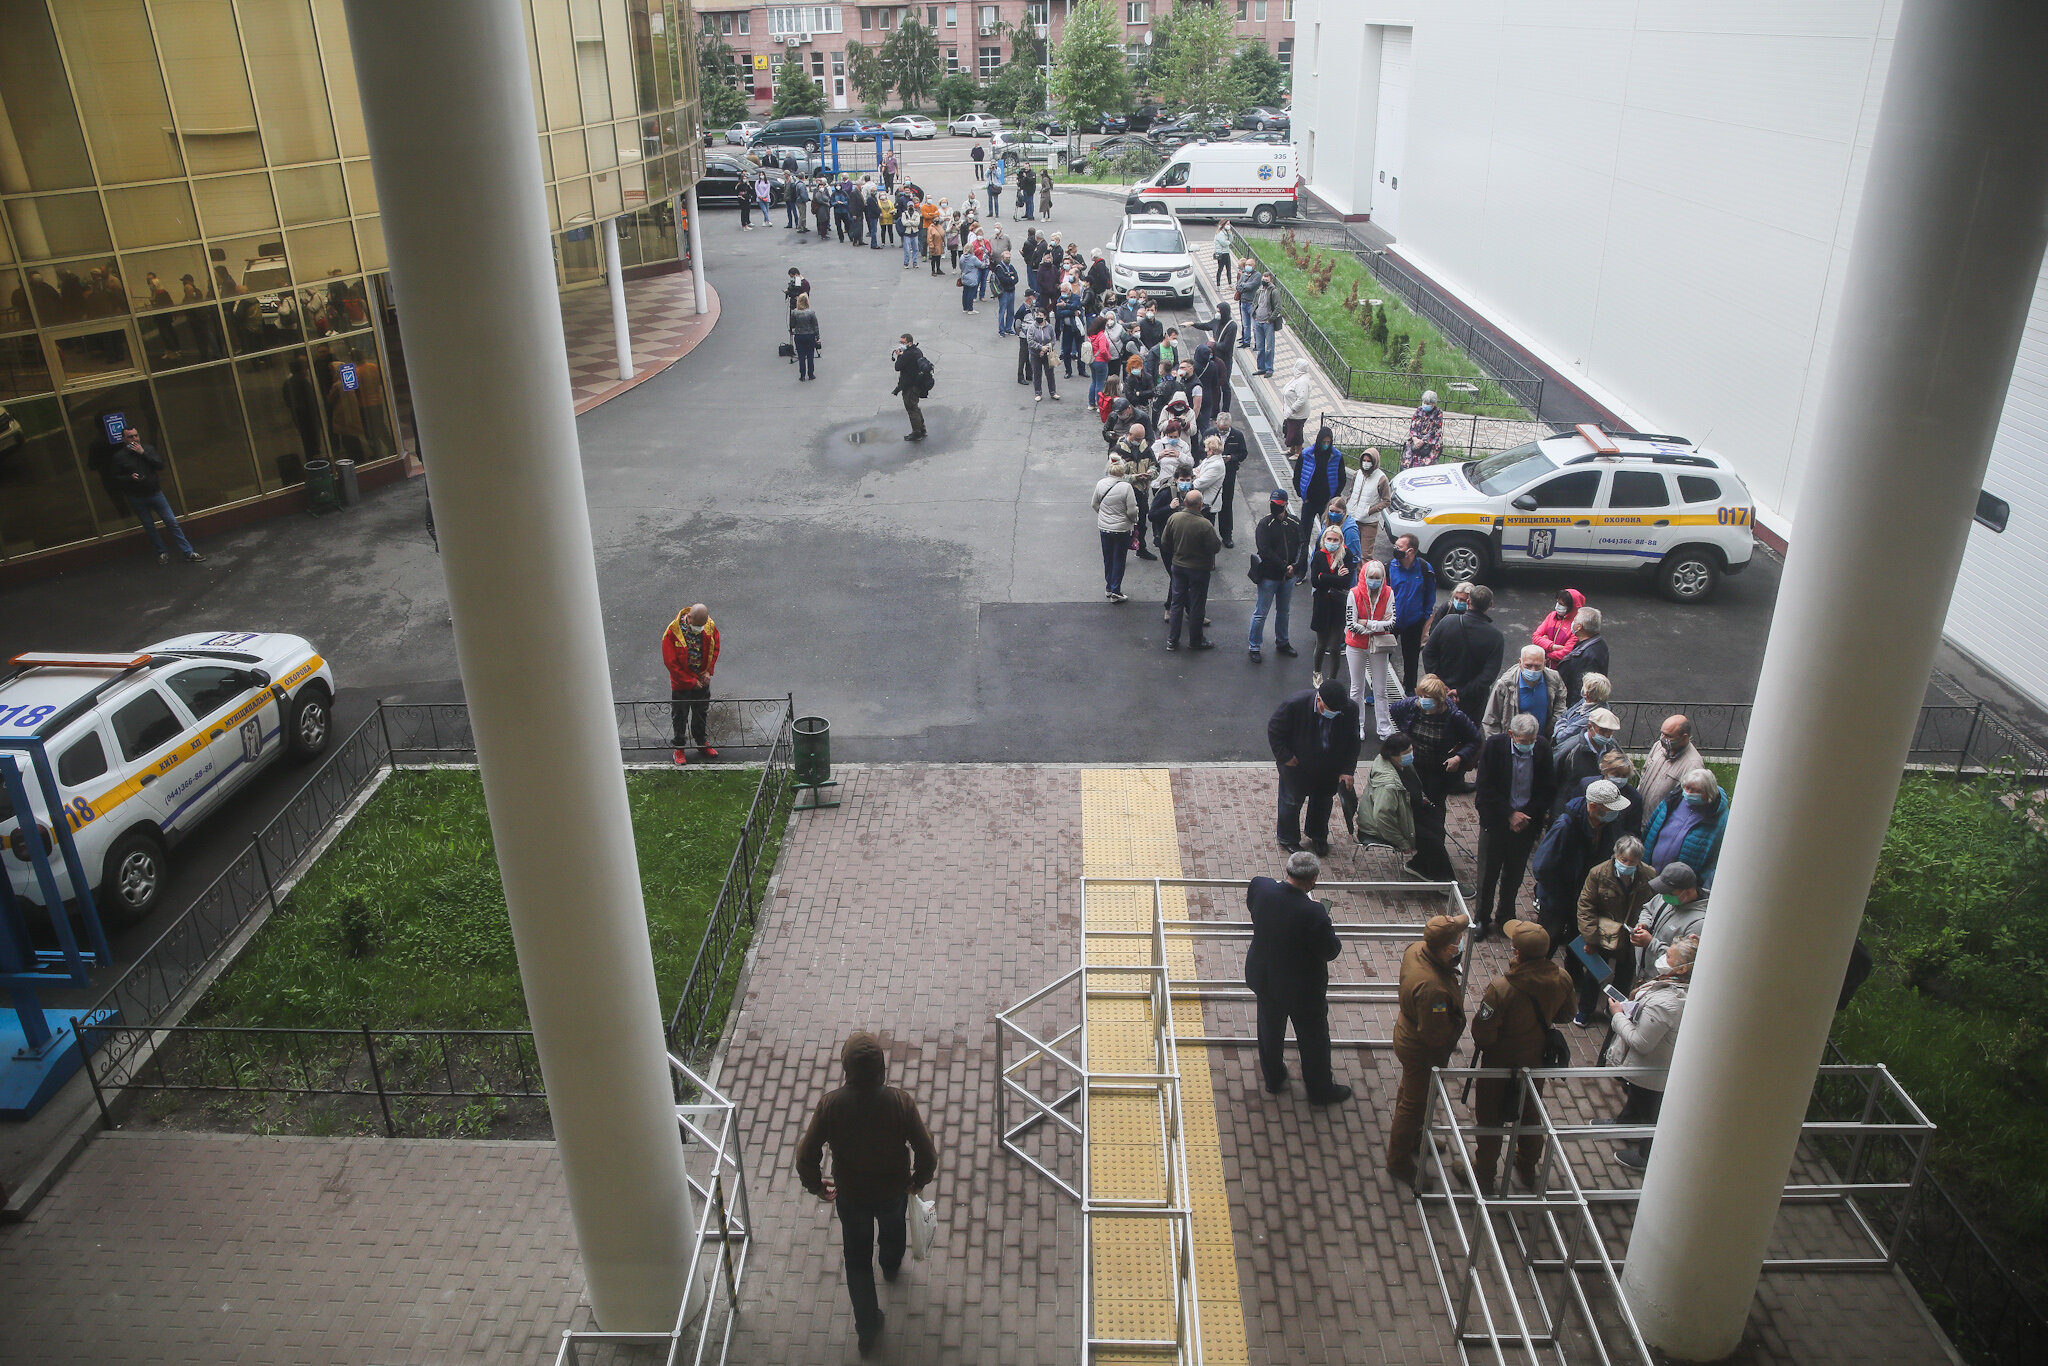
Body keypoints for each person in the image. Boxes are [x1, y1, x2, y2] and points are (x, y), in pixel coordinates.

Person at [795, 1031, 939, 1355]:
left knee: (857, 1261)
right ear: (882, 1069)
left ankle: (868, 1328)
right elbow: (927, 1153)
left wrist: (816, 1186)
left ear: (846, 1069)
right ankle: (890, 1265)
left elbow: (807, 1156)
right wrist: (918, 1181)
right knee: (892, 1231)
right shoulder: (900, 1102)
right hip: (892, 1192)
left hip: (852, 1197)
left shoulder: (830, 1105)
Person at [1468, 919, 1575, 1194]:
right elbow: (1566, 1015)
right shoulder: (1562, 978)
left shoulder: (1501, 988)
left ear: (1517, 953)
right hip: (1536, 1060)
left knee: (1490, 1119)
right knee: (1529, 1114)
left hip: (1499, 1062)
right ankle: (1527, 1165)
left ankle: (1484, 1174)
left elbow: (1483, 1034)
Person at [1245, 850, 1350, 1104]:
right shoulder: (1313, 913)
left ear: (1288, 870)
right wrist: (1325, 919)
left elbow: (1254, 909)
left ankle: (1273, 1078)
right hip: (1302, 991)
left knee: (1269, 1030)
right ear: (1313, 879)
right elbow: (1330, 950)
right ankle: (1319, 1089)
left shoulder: (1261, 887)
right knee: (1313, 1039)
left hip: (1264, 978)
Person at [1387, 913, 1470, 1186]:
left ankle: (1414, 1137)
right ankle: (1399, 1161)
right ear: (1448, 948)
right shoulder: (1432, 989)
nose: (1460, 942)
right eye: (1457, 940)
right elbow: (1434, 1032)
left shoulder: (1417, 949)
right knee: (1413, 1104)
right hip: (1421, 1050)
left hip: (1408, 1034)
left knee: (1410, 1092)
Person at [1605, 933, 1697, 1169]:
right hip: (1647, 1071)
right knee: (1637, 1099)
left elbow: (1641, 1041)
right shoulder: (1674, 987)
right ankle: (1626, 1125)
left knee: (1651, 1112)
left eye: (1669, 956)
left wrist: (1618, 1016)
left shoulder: (1666, 1003)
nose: (1663, 958)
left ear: (1682, 970)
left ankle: (1646, 1157)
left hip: (1652, 1070)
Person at [1474, 713, 1558, 940]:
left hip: (1526, 824)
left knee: (1514, 874)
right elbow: (1485, 787)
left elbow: (1547, 788)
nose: (1528, 745)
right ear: (1511, 735)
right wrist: (1509, 814)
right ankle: (1481, 918)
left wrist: (1525, 816)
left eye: (1531, 739)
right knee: (1487, 875)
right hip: (1496, 821)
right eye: (1523, 741)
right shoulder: (1494, 747)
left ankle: (1505, 917)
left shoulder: (1541, 748)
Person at [1388, 676, 1480, 883]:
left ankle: (1429, 857)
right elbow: (1395, 709)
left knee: (1434, 814)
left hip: (1438, 774)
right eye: (1420, 696)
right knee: (1420, 814)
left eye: (1427, 697)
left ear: (1439, 700)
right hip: (1414, 769)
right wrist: (1404, 739)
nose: (1422, 701)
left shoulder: (1455, 716)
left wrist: (1458, 757)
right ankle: (1427, 857)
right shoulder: (1413, 706)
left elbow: (1474, 739)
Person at [1530, 778, 1631, 954]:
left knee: (1579, 944)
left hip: (1585, 897)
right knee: (1547, 942)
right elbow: (1542, 867)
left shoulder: (1609, 824)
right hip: (1558, 899)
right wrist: (1560, 894)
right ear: (1593, 806)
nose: (1615, 813)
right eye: (1610, 809)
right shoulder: (1565, 826)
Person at [1268, 680, 1362, 856]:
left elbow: (1353, 741)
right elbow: (1274, 730)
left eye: (1337, 711)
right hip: (1297, 766)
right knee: (1290, 801)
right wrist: (1285, 756)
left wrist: (1347, 770)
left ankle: (1318, 835)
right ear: (1319, 700)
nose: (1333, 713)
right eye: (1329, 709)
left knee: (1323, 802)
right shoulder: (1294, 705)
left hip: (1329, 768)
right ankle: (1288, 838)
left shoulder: (1349, 709)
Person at [1573, 833, 1655, 1024]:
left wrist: (1644, 926)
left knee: (1625, 977)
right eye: (1623, 859)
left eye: (1632, 861)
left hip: (1630, 937)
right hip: (1603, 934)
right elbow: (1586, 906)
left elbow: (1652, 905)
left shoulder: (1648, 876)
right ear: (1615, 855)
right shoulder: (1599, 873)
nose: (1626, 865)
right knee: (1594, 974)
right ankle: (1585, 1010)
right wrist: (1590, 939)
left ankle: (1615, 1009)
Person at [95, 424, 206, 564]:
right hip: (136, 497)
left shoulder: (148, 449)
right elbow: (115, 477)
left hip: (155, 494)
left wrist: (143, 453)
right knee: (149, 526)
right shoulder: (119, 457)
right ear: (124, 439)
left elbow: (159, 465)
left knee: (171, 522)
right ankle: (162, 552)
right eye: (130, 437)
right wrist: (130, 477)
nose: (134, 439)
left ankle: (188, 551)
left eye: (136, 435)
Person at [1420, 581, 1504, 723]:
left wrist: (1440, 683)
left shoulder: (1448, 622)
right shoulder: (1496, 637)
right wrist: (1462, 692)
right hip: (1473, 700)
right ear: (1490, 605)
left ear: (1469, 601)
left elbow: (1428, 652)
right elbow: (1489, 675)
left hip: (1441, 694)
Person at [1642, 767, 1730, 887]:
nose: (1688, 793)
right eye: (1686, 788)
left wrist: (1700, 884)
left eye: (1695, 790)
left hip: (1681, 886)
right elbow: (1650, 829)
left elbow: (1716, 859)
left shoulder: (1720, 818)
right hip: (1651, 873)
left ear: (1708, 793)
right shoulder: (1673, 800)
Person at [1345, 558, 1401, 740]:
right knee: (1356, 689)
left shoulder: (1388, 592)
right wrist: (1378, 625)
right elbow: (1351, 624)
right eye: (1371, 577)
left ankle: (1384, 727)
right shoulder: (1354, 593)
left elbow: (1392, 623)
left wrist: (1367, 623)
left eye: (1378, 577)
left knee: (1381, 689)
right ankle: (1356, 725)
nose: (1374, 580)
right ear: (1364, 576)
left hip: (1379, 647)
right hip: (1356, 646)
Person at [1160, 488, 1221, 651]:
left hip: (1179, 566)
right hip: (1199, 569)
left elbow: (1165, 542)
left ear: (1185, 503)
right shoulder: (1205, 525)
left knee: (1177, 603)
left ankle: (1172, 640)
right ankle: (1195, 640)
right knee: (1197, 604)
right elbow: (1215, 547)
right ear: (1200, 505)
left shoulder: (1174, 518)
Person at [662, 603, 720, 764]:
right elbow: (671, 663)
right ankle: (679, 748)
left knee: (701, 713)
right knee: (680, 716)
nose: (700, 628)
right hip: (682, 684)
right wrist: (690, 681)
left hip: (702, 680)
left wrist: (708, 671)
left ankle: (701, 743)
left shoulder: (708, 626)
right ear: (689, 618)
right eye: (697, 625)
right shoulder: (673, 632)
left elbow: (714, 649)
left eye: (703, 625)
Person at [1631, 862, 1707, 984]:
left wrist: (1651, 943)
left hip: (1661, 982)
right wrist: (1644, 924)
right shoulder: (1667, 896)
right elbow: (1648, 909)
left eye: (1669, 893)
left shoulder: (1699, 923)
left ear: (1687, 892)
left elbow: (1683, 962)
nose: (1663, 895)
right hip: (1642, 972)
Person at [1249, 490, 1301, 661]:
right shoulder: (1265, 524)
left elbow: (1302, 544)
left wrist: (1296, 566)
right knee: (1261, 613)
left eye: (1278, 504)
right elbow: (1264, 551)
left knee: (1284, 612)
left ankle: (1283, 642)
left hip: (1288, 577)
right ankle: (1254, 646)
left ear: (1285, 504)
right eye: (1272, 503)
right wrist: (1284, 566)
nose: (1274, 506)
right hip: (1269, 577)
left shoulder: (1294, 522)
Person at [1306, 520, 1354, 688]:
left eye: (1336, 540)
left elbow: (1346, 582)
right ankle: (1317, 672)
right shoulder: (1319, 555)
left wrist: (1324, 577)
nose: (1332, 543)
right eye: (1330, 539)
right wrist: (1334, 578)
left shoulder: (1347, 556)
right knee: (1321, 644)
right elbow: (1314, 581)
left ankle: (1332, 679)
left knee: (1334, 647)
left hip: (1338, 606)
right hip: (1322, 605)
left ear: (1341, 541)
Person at [1386, 534, 1436, 693]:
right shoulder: (1389, 567)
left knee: (1411, 658)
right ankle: (1376, 688)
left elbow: (1430, 594)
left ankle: (1409, 689)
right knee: (1382, 655)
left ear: (1410, 551)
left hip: (1414, 622)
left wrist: (1425, 617)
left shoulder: (1424, 568)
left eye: (1399, 547)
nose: (1395, 549)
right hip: (1390, 621)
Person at [1483, 646, 1566, 740]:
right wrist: (1498, 745)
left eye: (1538, 666)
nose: (1533, 670)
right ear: (1520, 662)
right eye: (1528, 665)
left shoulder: (1553, 678)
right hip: (1514, 743)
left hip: (1542, 740)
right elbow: (1490, 720)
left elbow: (1561, 701)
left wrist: (1553, 724)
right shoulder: (1505, 684)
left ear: (1545, 663)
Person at [1093, 456, 1140, 602]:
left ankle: (1108, 586)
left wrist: (1104, 516)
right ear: (1123, 472)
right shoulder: (1126, 487)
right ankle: (1115, 590)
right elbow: (1132, 511)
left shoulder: (1101, 484)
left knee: (1108, 558)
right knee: (1119, 559)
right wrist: (1134, 521)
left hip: (1104, 527)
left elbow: (1094, 504)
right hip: (1121, 529)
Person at [1202, 409, 1248, 547]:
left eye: (1225, 430)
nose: (1222, 433)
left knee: (1226, 505)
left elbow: (1243, 453)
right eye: (1220, 429)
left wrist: (1231, 458)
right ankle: (1207, 534)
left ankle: (1227, 535)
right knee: (1209, 504)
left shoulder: (1237, 435)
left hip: (1228, 475)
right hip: (1211, 475)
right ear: (1216, 423)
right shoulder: (1208, 433)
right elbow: (1201, 450)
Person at [1639, 715, 1703, 812]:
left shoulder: (1693, 765)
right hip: (1639, 814)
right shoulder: (1659, 746)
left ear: (1684, 737)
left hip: (1660, 822)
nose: (1663, 738)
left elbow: (1687, 802)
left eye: (1668, 736)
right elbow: (1645, 771)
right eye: (1662, 733)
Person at [1553, 706, 1621, 793]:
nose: (1607, 735)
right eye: (1602, 730)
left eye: (1610, 731)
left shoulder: (1613, 747)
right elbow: (1554, 777)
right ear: (1589, 727)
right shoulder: (1569, 749)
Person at [1559, 606, 1609, 706]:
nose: (1572, 622)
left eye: (1575, 620)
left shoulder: (1587, 656)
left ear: (1579, 627)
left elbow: (1580, 689)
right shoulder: (1599, 644)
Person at [1552, 672, 1612, 751]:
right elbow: (1564, 715)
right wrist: (1564, 721)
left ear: (1587, 693)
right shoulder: (1585, 702)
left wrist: (1562, 722)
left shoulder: (1591, 717)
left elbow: (1561, 737)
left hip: (1571, 750)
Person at [1350, 451, 1390, 562]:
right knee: (1352, 551)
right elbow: (1352, 490)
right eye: (1364, 461)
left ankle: (1363, 577)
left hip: (1369, 522)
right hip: (1353, 518)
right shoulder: (1357, 474)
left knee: (1365, 555)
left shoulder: (1381, 479)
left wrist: (1370, 510)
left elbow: (1386, 501)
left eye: (1369, 461)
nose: (1366, 463)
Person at [892, 333, 929, 441]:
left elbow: (897, 367)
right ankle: (922, 429)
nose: (901, 344)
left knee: (911, 409)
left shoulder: (907, 355)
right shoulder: (917, 351)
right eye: (900, 342)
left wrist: (899, 355)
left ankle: (916, 433)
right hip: (917, 384)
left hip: (909, 386)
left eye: (903, 342)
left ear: (909, 343)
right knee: (915, 407)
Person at [1533, 588, 1584, 666]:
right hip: (1544, 665)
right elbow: (1535, 637)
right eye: (1557, 602)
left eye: (1562, 604)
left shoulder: (1576, 625)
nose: (1558, 606)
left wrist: (1544, 651)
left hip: (1561, 668)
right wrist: (1553, 647)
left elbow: (1565, 653)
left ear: (1572, 607)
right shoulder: (1552, 615)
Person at [1023, 307, 1059, 401]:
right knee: (1037, 374)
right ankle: (1038, 393)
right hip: (1035, 354)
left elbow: (1053, 339)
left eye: (1040, 315)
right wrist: (1040, 347)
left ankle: (1053, 392)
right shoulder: (1032, 327)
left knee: (1050, 374)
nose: (1038, 317)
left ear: (1045, 317)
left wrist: (1046, 348)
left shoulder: (1049, 327)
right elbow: (1030, 341)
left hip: (1048, 354)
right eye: (1037, 315)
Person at [1249, 271, 1280, 378]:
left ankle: (1269, 369)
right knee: (1260, 347)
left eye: (1266, 280)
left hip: (1267, 323)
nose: (1264, 281)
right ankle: (1261, 368)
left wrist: (1270, 319)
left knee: (1269, 347)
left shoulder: (1274, 291)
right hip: (1258, 321)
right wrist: (1254, 316)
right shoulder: (1259, 290)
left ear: (1270, 280)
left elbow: (1277, 307)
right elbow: (1255, 302)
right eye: (1263, 280)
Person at [1280, 360, 1314, 456]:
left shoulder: (1302, 381)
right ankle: (1292, 449)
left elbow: (1302, 399)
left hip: (1298, 413)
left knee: (1296, 433)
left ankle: (1298, 452)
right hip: (1292, 413)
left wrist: (1292, 410)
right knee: (1291, 430)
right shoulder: (1297, 378)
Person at [1404, 390, 1445, 468]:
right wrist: (1415, 438)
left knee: (1426, 463)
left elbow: (1435, 429)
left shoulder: (1438, 413)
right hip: (1416, 439)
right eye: (1424, 402)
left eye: (1428, 404)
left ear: (1433, 404)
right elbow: (1413, 425)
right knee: (1408, 458)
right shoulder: (1419, 410)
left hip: (1430, 441)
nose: (1425, 405)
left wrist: (1423, 441)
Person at [789, 292, 821, 381]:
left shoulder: (795, 312)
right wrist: (817, 337)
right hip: (810, 335)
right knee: (810, 355)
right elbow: (815, 326)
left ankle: (802, 375)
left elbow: (792, 325)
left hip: (799, 336)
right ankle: (811, 374)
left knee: (801, 356)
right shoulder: (811, 313)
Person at [992, 251, 1020, 337]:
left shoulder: (1011, 267)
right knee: (1002, 311)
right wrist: (1011, 279)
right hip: (1004, 292)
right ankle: (1001, 330)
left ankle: (1008, 328)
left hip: (1011, 291)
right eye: (1006, 258)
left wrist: (1010, 279)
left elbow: (1016, 278)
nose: (1008, 259)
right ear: (1002, 258)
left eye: (1009, 257)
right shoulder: (999, 268)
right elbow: (1002, 279)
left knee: (1011, 311)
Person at [1211, 220, 1234, 285]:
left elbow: (1231, 239)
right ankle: (1218, 284)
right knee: (1220, 269)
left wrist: (1230, 234)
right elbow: (1223, 243)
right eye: (1227, 224)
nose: (1228, 226)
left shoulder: (1227, 232)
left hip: (1226, 252)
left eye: (1229, 224)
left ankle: (1230, 283)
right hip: (1221, 253)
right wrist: (1229, 242)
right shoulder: (1220, 233)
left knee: (1228, 269)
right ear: (1223, 225)